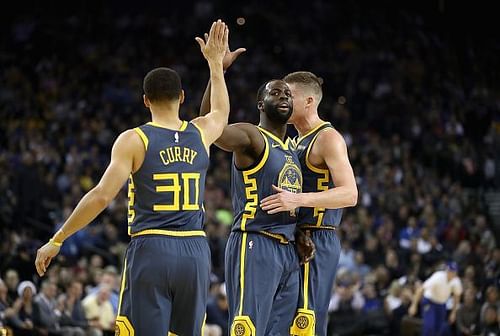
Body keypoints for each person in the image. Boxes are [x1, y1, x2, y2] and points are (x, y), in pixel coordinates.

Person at [35, 19, 230, 335]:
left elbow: (100, 196)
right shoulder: (201, 133)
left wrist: (57, 239)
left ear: (145, 100)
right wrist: (216, 65)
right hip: (195, 251)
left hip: (151, 247)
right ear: (182, 97)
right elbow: (221, 112)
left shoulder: (134, 140)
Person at [199, 46, 313, 334]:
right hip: (255, 243)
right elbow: (211, 127)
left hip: (287, 251)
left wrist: (298, 231)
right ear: (261, 104)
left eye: (287, 94)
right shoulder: (251, 135)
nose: (283, 96)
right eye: (275, 93)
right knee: (248, 328)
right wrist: (218, 71)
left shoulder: (291, 149)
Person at [258, 71, 358, 335]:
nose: (285, 102)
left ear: (309, 101)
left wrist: (297, 199)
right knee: (281, 322)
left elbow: (350, 194)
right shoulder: (293, 140)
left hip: (319, 238)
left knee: (306, 323)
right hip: (294, 238)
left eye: (290, 96)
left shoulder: (328, 138)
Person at [408, 261, 463, 336]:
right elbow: (421, 289)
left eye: (454, 272)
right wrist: (413, 305)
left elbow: (457, 296)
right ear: (447, 270)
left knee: (438, 330)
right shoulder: (438, 277)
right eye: (450, 271)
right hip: (429, 302)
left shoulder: (456, 282)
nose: (452, 273)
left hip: (441, 304)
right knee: (429, 326)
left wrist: (453, 312)